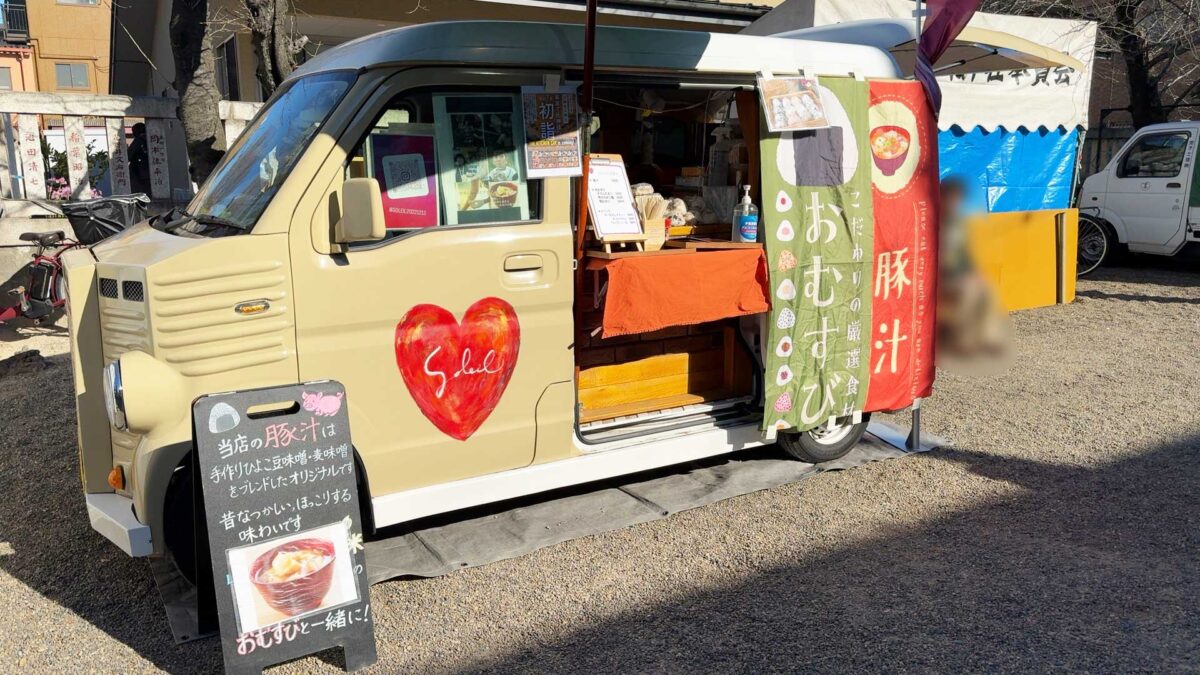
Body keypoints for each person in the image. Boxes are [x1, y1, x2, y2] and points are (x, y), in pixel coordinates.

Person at [127, 123, 149, 195]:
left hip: (138, 171)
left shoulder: (139, 140)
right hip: (149, 171)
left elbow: (128, 155)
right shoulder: (151, 139)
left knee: (139, 194)